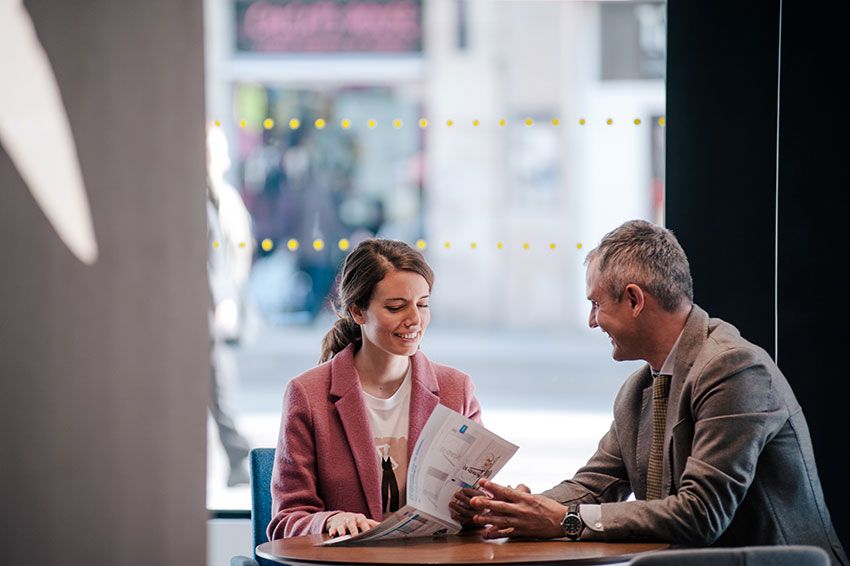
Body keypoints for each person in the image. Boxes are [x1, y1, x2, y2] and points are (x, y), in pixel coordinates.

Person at [462, 220, 848, 565]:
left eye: (596, 304)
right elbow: (593, 487)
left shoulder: (734, 368)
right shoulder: (640, 388)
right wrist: (513, 509)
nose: (592, 322)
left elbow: (702, 514)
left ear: (634, 300)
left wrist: (565, 519)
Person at [268, 238, 482, 539]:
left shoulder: (456, 390)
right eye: (396, 307)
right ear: (357, 311)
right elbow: (285, 520)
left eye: (422, 305)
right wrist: (330, 521)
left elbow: (473, 505)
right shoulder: (307, 395)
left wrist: (487, 505)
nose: (414, 320)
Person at [206, 126, 254, 487]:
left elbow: (235, 250)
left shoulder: (222, 195)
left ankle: (238, 458)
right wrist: (222, 297)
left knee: (220, 381)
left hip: (220, 302)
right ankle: (237, 456)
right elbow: (212, 257)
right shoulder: (202, 195)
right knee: (217, 381)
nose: (221, 158)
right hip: (209, 305)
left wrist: (231, 295)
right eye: (215, 149)